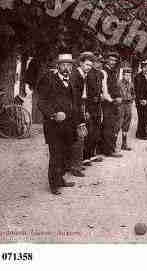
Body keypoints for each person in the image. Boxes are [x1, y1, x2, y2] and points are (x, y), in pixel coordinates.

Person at [38, 53, 86, 195]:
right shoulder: (49, 79)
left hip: (69, 126)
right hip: (54, 126)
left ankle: (60, 179)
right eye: (63, 65)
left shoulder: (71, 81)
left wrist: (80, 122)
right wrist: (53, 114)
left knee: (66, 153)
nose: (66, 68)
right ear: (58, 66)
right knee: (55, 154)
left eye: (69, 65)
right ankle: (54, 185)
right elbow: (41, 102)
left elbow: (75, 104)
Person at [67, 52, 95, 177]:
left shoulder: (83, 75)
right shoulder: (76, 76)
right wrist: (80, 119)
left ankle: (76, 164)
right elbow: (74, 99)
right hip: (75, 109)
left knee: (80, 137)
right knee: (78, 137)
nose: (89, 67)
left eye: (91, 65)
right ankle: (75, 167)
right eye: (87, 64)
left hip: (81, 107)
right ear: (81, 63)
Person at [100, 52, 123, 158]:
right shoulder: (104, 71)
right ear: (107, 60)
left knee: (112, 125)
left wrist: (118, 96)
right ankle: (108, 150)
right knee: (108, 125)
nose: (113, 62)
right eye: (111, 60)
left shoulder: (114, 71)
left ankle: (108, 148)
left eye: (114, 60)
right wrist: (113, 99)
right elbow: (104, 88)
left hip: (114, 102)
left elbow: (116, 87)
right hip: (107, 102)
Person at [84, 54, 105, 164]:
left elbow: (100, 89)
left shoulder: (100, 74)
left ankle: (92, 154)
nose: (99, 64)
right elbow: (86, 93)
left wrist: (101, 94)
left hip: (97, 106)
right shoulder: (88, 74)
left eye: (101, 62)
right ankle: (85, 157)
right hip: (90, 105)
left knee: (96, 131)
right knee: (89, 131)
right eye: (97, 62)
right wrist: (86, 109)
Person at [118, 67, 135, 151]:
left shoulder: (131, 84)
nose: (128, 77)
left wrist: (132, 99)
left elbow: (133, 93)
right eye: (126, 75)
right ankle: (113, 144)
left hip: (128, 104)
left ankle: (124, 144)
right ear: (123, 75)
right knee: (119, 123)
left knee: (126, 123)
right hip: (121, 105)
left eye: (129, 75)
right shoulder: (119, 83)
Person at [134, 60, 147, 140]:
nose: (146, 69)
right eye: (144, 67)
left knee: (145, 117)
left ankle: (139, 132)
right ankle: (142, 134)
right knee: (142, 117)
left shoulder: (146, 76)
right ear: (142, 68)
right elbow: (138, 89)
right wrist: (141, 99)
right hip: (141, 100)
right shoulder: (138, 76)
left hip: (146, 100)